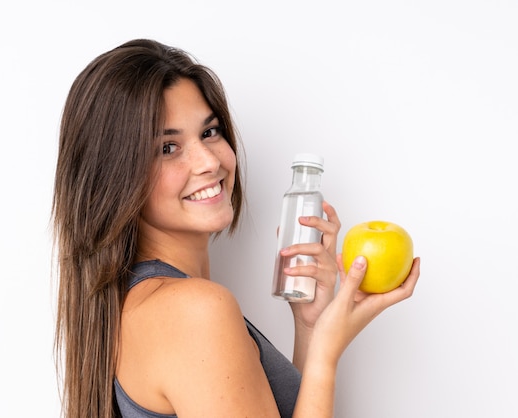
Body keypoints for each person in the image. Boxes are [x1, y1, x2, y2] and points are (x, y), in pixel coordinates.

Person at [51, 38, 421, 418]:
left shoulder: (140, 305)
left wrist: (311, 326)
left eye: (209, 132)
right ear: (114, 178)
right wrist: (326, 352)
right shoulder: (195, 312)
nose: (209, 161)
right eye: (167, 148)